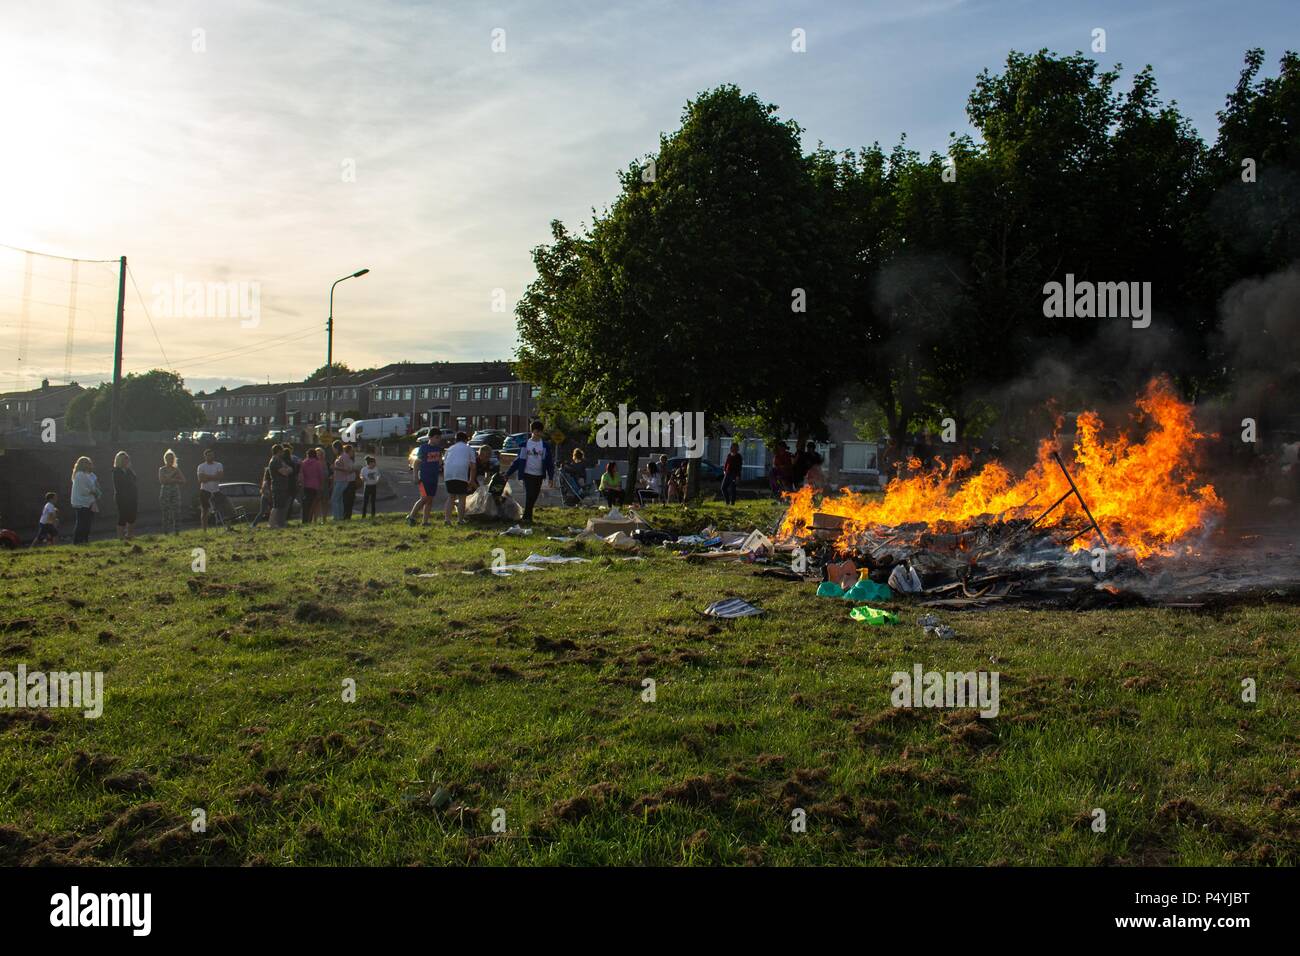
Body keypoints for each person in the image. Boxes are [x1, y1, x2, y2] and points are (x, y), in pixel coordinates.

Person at [503, 419, 553, 525]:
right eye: (538, 431)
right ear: (533, 431)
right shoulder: (525, 445)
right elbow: (518, 461)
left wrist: (551, 477)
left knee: (534, 496)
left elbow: (549, 462)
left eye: (541, 431)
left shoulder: (545, 446)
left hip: (539, 475)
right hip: (527, 474)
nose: (540, 433)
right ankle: (527, 518)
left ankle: (527, 517)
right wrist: (508, 473)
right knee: (529, 495)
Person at [441, 431, 476, 525]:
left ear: (456, 440)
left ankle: (447, 520)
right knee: (462, 498)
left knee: (451, 497)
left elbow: (444, 463)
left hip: (448, 474)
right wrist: (471, 480)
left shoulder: (449, 449)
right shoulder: (469, 449)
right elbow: (473, 467)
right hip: (461, 474)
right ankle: (460, 520)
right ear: (466, 440)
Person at [407, 436, 442, 526]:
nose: (438, 439)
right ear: (431, 437)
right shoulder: (424, 448)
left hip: (434, 478)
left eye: (439, 438)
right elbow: (416, 462)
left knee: (430, 500)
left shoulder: (438, 448)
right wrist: (415, 476)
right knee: (424, 498)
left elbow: (440, 462)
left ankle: (425, 521)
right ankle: (411, 516)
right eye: (437, 438)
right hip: (424, 477)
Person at [70, 456, 101, 544]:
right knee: (81, 522)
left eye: (89, 463)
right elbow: (83, 489)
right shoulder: (79, 475)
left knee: (88, 522)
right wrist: (93, 491)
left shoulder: (90, 475)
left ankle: (85, 539)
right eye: (86, 463)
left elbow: (94, 485)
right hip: (81, 502)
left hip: (89, 501)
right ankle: (77, 541)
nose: (89, 465)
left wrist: (96, 491)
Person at [111, 452, 138, 541]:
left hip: (132, 497)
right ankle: (121, 537)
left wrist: (128, 469)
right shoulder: (116, 471)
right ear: (119, 460)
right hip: (122, 498)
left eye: (127, 459)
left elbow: (135, 479)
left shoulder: (129, 470)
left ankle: (130, 535)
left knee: (132, 516)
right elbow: (120, 485)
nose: (126, 461)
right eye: (124, 459)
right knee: (123, 516)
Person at [196, 448, 224, 531]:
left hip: (216, 491)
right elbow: (201, 480)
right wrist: (214, 476)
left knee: (222, 508)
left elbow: (220, 477)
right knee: (205, 511)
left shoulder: (219, 465)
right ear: (205, 456)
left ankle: (226, 527)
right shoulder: (201, 466)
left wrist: (207, 476)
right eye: (208, 455)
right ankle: (204, 530)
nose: (210, 457)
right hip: (205, 491)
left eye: (212, 455)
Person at [158, 449, 185, 534]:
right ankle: (166, 531)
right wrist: (174, 479)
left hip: (175, 493)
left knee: (176, 512)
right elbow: (162, 481)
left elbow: (183, 480)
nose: (170, 460)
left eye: (171, 458)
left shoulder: (176, 470)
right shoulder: (162, 469)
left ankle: (177, 531)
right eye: (168, 458)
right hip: (165, 493)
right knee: (166, 513)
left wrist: (171, 479)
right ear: (165, 459)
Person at [267, 443, 294, 528]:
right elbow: (285, 472)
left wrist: (288, 469)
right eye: (282, 451)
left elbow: (289, 468)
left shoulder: (280, 460)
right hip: (278, 486)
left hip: (282, 486)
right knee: (277, 506)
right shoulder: (275, 461)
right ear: (278, 451)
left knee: (282, 506)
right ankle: (272, 524)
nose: (283, 453)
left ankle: (280, 523)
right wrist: (288, 470)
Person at [331, 443, 356, 521]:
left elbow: (348, 470)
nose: (333, 450)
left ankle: (336, 517)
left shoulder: (344, 456)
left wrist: (335, 468)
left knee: (334, 499)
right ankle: (340, 516)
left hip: (342, 480)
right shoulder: (341, 456)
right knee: (339, 499)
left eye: (333, 449)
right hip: (339, 480)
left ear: (337, 448)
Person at [300, 447, 323, 525]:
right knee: (312, 505)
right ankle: (309, 520)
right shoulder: (317, 463)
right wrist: (320, 485)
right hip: (315, 486)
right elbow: (320, 475)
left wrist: (302, 485)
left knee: (306, 504)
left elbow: (302, 475)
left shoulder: (303, 463)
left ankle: (304, 520)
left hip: (306, 486)